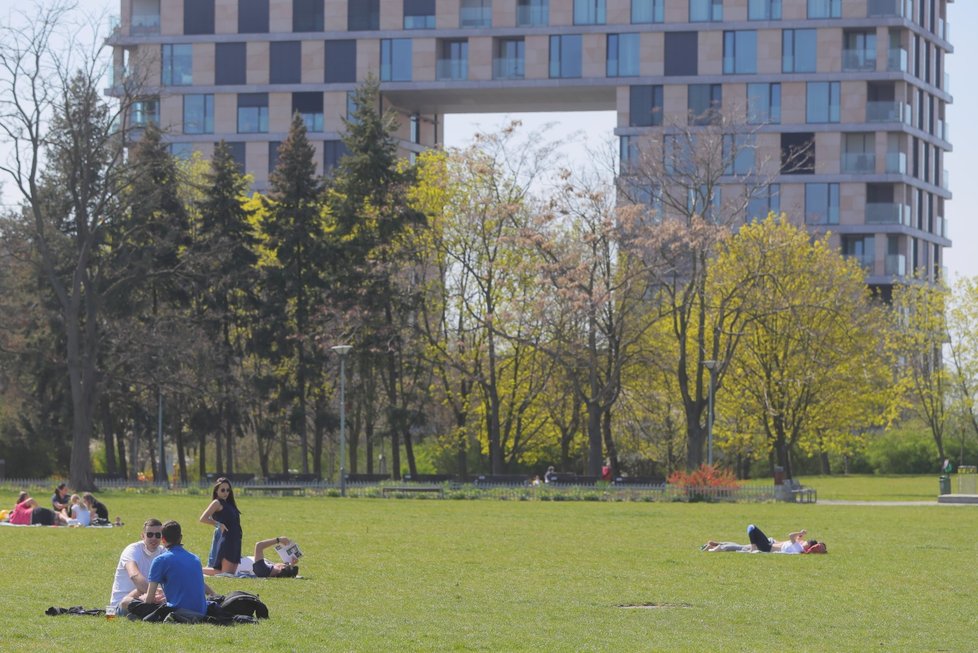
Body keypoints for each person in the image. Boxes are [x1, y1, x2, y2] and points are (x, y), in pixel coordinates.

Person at [142, 520, 209, 621]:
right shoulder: (195, 558)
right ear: (180, 537)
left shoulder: (160, 560)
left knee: (130, 604)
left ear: (163, 540)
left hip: (178, 611)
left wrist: (143, 598)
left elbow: (149, 599)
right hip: (201, 611)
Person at [107, 518, 165, 616]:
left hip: (146, 600)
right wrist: (155, 594)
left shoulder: (163, 552)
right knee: (140, 589)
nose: (154, 538)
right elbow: (134, 575)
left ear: (162, 538)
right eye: (150, 534)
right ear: (143, 536)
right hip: (119, 605)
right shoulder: (132, 550)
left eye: (158, 535)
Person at [199, 477, 243, 574]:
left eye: (228, 490)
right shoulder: (216, 502)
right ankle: (192, 570)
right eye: (222, 490)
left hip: (236, 540)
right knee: (224, 573)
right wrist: (219, 524)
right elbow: (203, 518)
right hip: (226, 539)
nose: (225, 493)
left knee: (230, 574)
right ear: (216, 491)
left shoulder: (230, 504)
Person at [205, 536, 300, 578]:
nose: (283, 562)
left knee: (221, 529)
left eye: (284, 564)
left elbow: (259, 545)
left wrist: (279, 540)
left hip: (223, 561)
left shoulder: (263, 569)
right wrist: (291, 564)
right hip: (229, 559)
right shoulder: (269, 570)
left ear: (281, 568)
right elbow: (285, 571)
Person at [747, 524, 827, 554]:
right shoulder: (799, 547)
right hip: (769, 545)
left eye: (805, 542)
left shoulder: (799, 548)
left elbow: (791, 536)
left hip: (767, 547)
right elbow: (797, 540)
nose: (803, 542)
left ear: (809, 545)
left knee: (751, 527)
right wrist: (800, 535)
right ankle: (752, 547)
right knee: (741, 546)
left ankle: (753, 548)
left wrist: (800, 533)